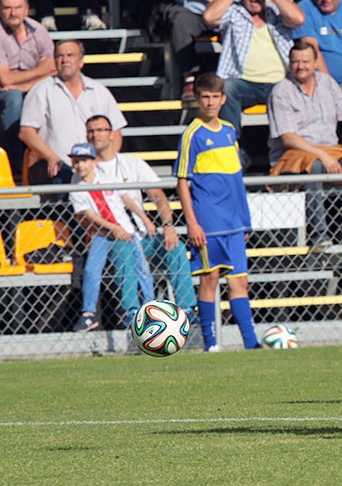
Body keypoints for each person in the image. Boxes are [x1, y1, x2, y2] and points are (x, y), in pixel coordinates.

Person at [175, 73, 260, 352]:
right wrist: (192, 222)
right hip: (209, 221)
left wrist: (244, 219)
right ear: (197, 99)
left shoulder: (228, 131)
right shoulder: (192, 134)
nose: (210, 102)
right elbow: (182, 181)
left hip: (234, 221)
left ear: (224, 99)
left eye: (215, 97)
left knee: (240, 282)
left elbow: (235, 179)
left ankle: (251, 343)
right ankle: (210, 343)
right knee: (209, 279)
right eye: (205, 97)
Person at [267, 41, 342, 250]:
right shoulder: (281, 91)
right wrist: (322, 155)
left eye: (306, 61)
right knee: (316, 166)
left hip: (331, 150)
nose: (301, 66)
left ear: (316, 62)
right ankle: (320, 237)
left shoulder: (327, 82)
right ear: (289, 64)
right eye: (296, 62)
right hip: (294, 154)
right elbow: (288, 138)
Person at [85, 114, 198, 319]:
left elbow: (158, 196)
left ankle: (187, 310)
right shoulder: (84, 171)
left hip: (143, 237)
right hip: (112, 240)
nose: (95, 135)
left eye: (100, 130)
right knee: (123, 249)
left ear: (112, 135)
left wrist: (168, 225)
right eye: (91, 131)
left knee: (176, 248)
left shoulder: (132, 164)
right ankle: (133, 313)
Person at [202, 0, 305, 139]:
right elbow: (209, 16)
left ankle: (292, 149)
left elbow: (298, 19)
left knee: (297, 90)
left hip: (279, 83)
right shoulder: (234, 12)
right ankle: (232, 147)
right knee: (226, 88)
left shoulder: (277, 13)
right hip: (244, 83)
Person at [68, 142, 154, 332]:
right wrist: (112, 228)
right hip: (103, 233)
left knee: (142, 269)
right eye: (76, 161)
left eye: (83, 161)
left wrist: (145, 220)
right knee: (91, 270)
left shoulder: (107, 177)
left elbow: (127, 199)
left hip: (125, 231)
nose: (80, 165)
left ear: (93, 162)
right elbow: (89, 215)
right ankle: (89, 314)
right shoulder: (76, 187)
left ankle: (150, 307)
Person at [20, 40, 126, 186]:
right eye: (60, 56)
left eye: (70, 55)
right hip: (57, 169)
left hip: (96, 169)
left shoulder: (100, 91)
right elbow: (26, 132)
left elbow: (116, 133)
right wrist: (51, 157)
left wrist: (105, 162)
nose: (65, 60)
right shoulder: (41, 90)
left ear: (81, 61)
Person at [0, 0, 55, 179]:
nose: (13, 13)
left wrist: (25, 84)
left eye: (17, 7)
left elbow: (54, 70)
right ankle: (14, 166)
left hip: (32, 88)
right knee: (14, 98)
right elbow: (5, 79)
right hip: (5, 93)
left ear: (26, 9)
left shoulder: (39, 31)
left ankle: (52, 160)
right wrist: (41, 70)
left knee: (52, 93)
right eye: (7, 8)